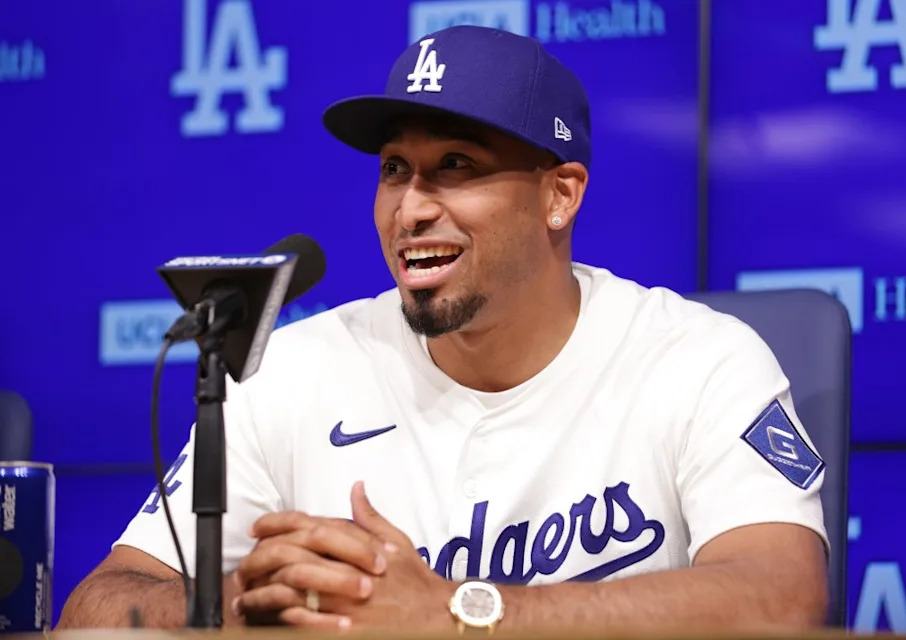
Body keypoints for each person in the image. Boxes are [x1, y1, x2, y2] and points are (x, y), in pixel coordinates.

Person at [59, 25, 829, 633]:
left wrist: (455, 613)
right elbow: (92, 611)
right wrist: (243, 602)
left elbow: (782, 598)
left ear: (560, 195)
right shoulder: (291, 371)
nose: (411, 207)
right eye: (396, 168)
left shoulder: (697, 358)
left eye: (455, 165)